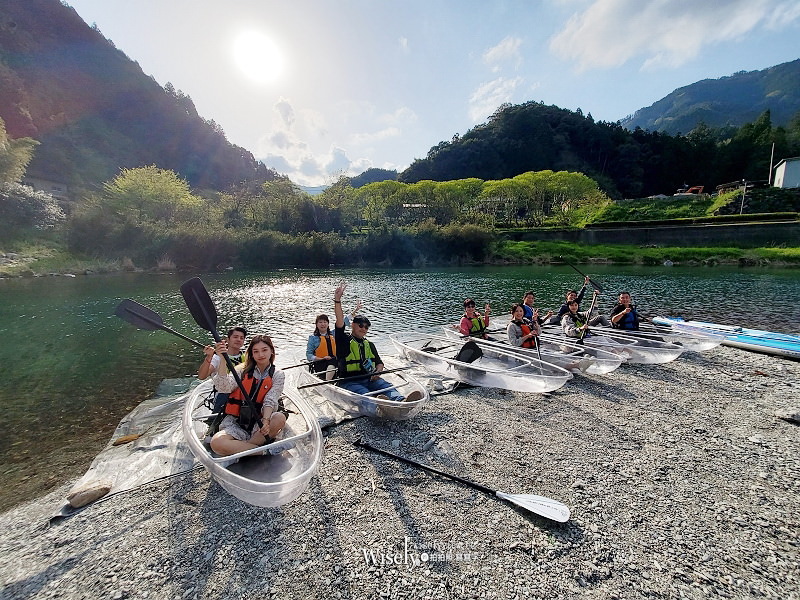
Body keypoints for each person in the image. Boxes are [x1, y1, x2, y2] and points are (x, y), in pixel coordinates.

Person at [333, 282, 422, 402]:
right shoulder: (344, 340)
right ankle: (379, 407)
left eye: (366, 327)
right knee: (365, 395)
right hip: (349, 381)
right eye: (360, 325)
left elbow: (379, 363)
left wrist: (377, 372)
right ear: (353, 325)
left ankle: (400, 401)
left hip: (370, 379)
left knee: (387, 386)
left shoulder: (369, 344)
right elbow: (339, 321)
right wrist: (337, 300)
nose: (363, 329)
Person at [209, 334, 287, 457]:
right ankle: (262, 451)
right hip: (236, 423)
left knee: (279, 418)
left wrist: (266, 421)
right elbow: (224, 387)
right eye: (256, 351)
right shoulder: (241, 370)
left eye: (264, 350)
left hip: (259, 423)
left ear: (271, 351)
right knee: (216, 442)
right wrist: (222, 359)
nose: (260, 355)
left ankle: (240, 449)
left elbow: (270, 399)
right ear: (251, 354)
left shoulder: (278, 375)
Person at [198, 326, 247, 413]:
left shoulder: (247, 358)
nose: (238, 340)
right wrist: (209, 357)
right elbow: (202, 376)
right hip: (223, 394)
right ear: (227, 340)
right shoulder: (217, 358)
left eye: (241, 338)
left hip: (242, 393)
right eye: (235, 337)